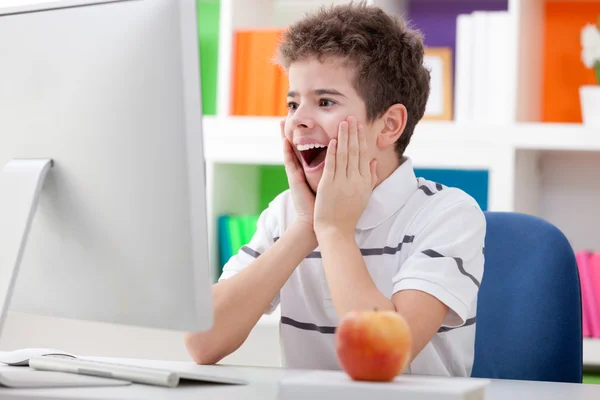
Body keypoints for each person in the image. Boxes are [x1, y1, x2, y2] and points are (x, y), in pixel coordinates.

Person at [184, 1, 486, 378]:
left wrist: (334, 231)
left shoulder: (448, 214)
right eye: (293, 103)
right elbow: (202, 342)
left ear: (389, 125)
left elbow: (380, 358)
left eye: (324, 101)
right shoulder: (286, 214)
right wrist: (306, 227)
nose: (299, 121)